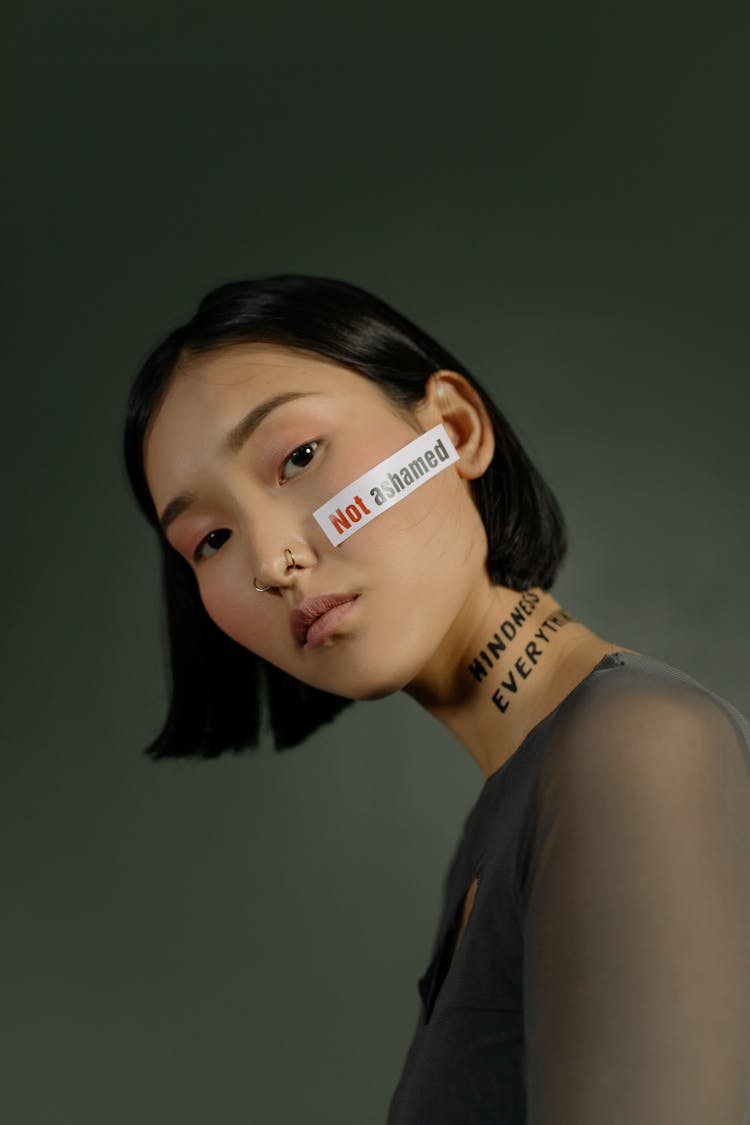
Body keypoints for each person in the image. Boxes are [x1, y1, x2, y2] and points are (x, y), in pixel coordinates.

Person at [122, 273, 750, 1123]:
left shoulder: (635, 749)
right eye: (212, 539)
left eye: (300, 456)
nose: (271, 560)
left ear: (453, 429)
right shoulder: (504, 824)